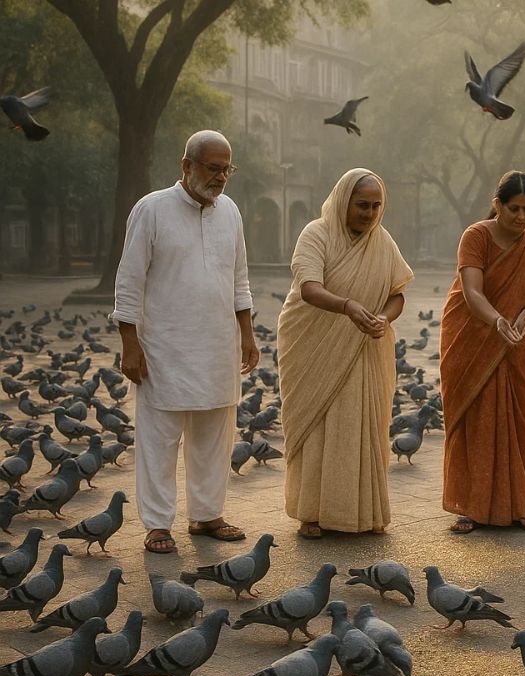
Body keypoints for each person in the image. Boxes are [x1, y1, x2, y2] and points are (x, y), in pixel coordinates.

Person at [112, 129, 256, 554]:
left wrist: (247, 334)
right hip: (164, 348)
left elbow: (240, 279)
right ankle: (157, 525)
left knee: (214, 436)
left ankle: (207, 515)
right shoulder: (152, 209)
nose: (221, 178)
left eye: (227, 169)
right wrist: (130, 343)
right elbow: (128, 280)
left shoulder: (230, 211)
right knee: (159, 440)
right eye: (213, 168)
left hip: (218, 345)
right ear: (186, 165)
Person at [277, 169, 412, 539]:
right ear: (343, 202)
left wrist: (382, 317)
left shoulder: (382, 242)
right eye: (362, 205)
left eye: (375, 206)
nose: (369, 214)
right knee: (319, 427)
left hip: (366, 345)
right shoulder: (316, 234)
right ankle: (313, 513)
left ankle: (364, 514)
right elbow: (308, 288)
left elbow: (397, 293)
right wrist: (349, 307)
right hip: (314, 344)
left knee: (362, 426)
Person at [440, 171, 525, 533]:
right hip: (472, 334)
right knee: (475, 421)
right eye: (514, 209)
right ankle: (469, 506)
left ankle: (517, 505)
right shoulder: (476, 236)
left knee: (517, 422)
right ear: (497, 204)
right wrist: (496, 321)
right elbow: (472, 291)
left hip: (517, 339)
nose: (522, 217)